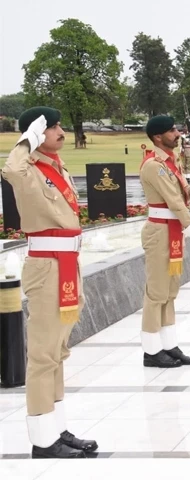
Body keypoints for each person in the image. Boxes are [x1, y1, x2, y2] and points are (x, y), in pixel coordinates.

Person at [2, 107, 97, 458]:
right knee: (43, 355)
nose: (60, 131)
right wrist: (27, 139)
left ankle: (57, 428)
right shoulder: (27, 169)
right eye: (52, 127)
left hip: (68, 263)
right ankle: (42, 440)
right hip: (46, 266)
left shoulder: (56, 167)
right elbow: (9, 168)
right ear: (37, 134)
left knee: (58, 352)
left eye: (58, 125)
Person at [139, 115, 190, 367]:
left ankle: (169, 344)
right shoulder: (155, 165)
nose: (177, 134)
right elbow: (174, 203)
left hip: (173, 230)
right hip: (160, 231)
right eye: (172, 131)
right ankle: (152, 351)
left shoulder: (170, 163)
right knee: (156, 293)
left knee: (170, 291)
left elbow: (182, 196)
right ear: (157, 137)